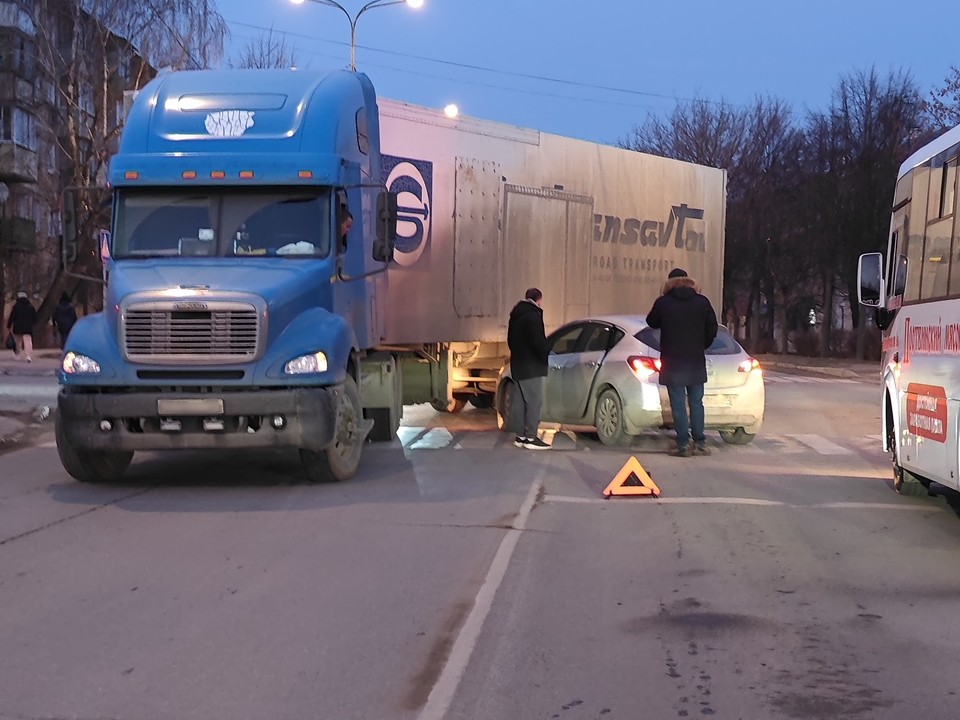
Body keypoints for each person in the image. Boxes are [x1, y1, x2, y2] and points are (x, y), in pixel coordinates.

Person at [646, 268, 718, 457]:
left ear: (669, 283)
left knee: (678, 404)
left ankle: (683, 444)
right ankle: (700, 443)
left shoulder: (664, 303)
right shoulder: (702, 302)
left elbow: (651, 322)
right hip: (695, 360)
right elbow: (712, 328)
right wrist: (702, 344)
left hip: (672, 361)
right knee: (696, 403)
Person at [506, 288, 550, 450]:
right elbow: (537, 341)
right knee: (534, 402)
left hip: (517, 365)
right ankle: (531, 437)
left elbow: (510, 341)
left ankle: (520, 436)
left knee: (520, 402)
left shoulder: (515, 316)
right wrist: (546, 352)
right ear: (538, 299)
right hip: (532, 366)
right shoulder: (533, 316)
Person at [6, 291, 38, 362]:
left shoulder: (16, 307)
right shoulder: (30, 307)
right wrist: (33, 323)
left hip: (18, 327)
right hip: (28, 327)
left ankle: (17, 355)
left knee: (18, 341)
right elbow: (35, 318)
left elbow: (12, 317)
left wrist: (9, 325)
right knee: (28, 341)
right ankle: (28, 356)